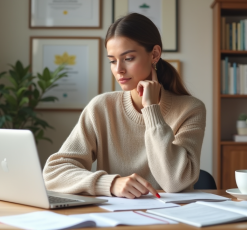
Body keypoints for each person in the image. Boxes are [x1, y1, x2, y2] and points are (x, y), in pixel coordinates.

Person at [43, 13, 206, 199]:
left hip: (173, 221)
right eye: (112, 61)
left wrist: (151, 110)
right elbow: (53, 174)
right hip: (115, 221)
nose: (118, 69)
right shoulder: (101, 107)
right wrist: (110, 184)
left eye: (128, 58)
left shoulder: (191, 109)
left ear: (154, 54)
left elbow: (175, 182)